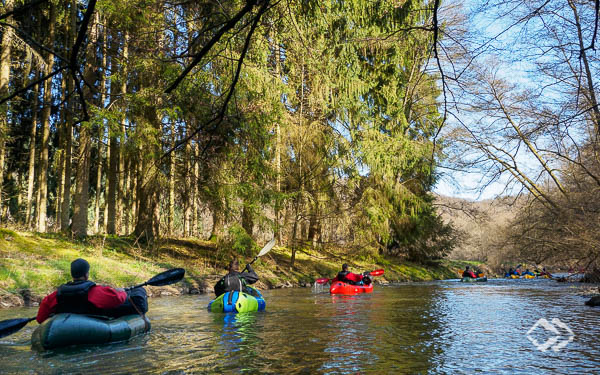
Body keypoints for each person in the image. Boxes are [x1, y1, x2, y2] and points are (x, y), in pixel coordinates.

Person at [36, 258, 148, 323]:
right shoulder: (94, 292)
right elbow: (117, 299)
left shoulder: (56, 295)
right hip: (93, 322)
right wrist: (122, 292)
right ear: (86, 275)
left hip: (68, 323)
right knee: (138, 292)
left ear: (72, 274)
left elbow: (40, 319)